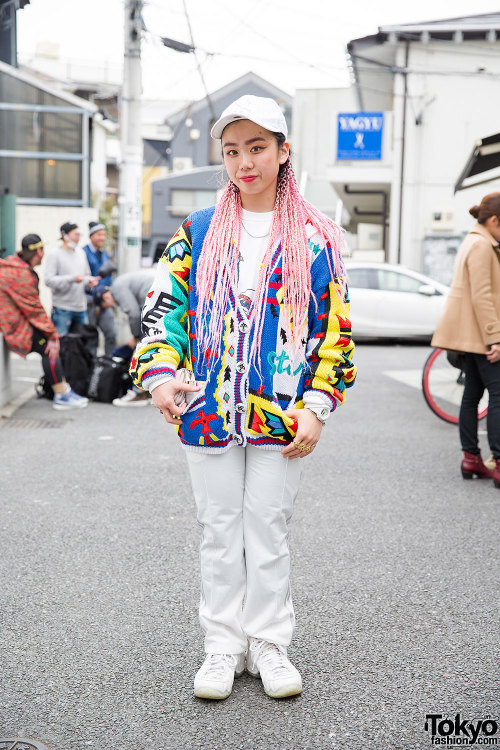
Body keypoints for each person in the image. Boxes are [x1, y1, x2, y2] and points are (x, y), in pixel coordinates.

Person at [130, 95, 356, 700]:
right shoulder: (197, 232)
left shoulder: (316, 238)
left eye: (257, 148)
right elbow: (166, 311)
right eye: (232, 150)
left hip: (281, 409)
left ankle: (269, 643)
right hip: (205, 406)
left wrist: (317, 405)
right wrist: (160, 374)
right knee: (219, 527)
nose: (244, 162)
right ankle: (221, 646)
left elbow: (333, 329)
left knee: (268, 526)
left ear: (284, 152)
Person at [432, 192, 500, 486]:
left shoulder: (473, 240)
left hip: (468, 335)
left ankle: (471, 458)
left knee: (472, 395)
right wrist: (494, 337)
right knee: (497, 395)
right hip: (480, 335)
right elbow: (483, 295)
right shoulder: (482, 245)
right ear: (495, 220)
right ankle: (497, 460)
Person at [0, 234, 88, 409]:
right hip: (12, 325)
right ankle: (61, 395)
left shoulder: (14, 265)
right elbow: (33, 309)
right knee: (49, 347)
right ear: (39, 251)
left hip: (14, 321)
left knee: (48, 342)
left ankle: (62, 390)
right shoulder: (20, 274)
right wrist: (52, 334)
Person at [97, 270, 155, 406]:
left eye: (104, 306)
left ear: (105, 296)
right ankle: (149, 391)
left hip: (154, 299)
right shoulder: (122, 282)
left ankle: (138, 393)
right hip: (156, 297)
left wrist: (135, 337)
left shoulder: (117, 288)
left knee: (141, 347)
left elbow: (134, 313)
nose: (110, 308)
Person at [44, 221, 98, 335]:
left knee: (82, 344)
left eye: (79, 235)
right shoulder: (54, 254)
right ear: (65, 236)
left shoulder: (81, 253)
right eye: (75, 234)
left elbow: (85, 275)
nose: (78, 238)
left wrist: (90, 281)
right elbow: (48, 280)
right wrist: (72, 278)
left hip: (81, 307)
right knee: (61, 344)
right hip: (62, 308)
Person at [82, 221, 117, 355]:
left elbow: (108, 278)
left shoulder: (104, 254)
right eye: (99, 234)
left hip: (104, 302)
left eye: (104, 234)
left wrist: (108, 292)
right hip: (89, 302)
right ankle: (90, 369)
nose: (102, 237)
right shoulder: (83, 253)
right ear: (91, 236)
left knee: (111, 334)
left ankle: (109, 365)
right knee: (91, 338)